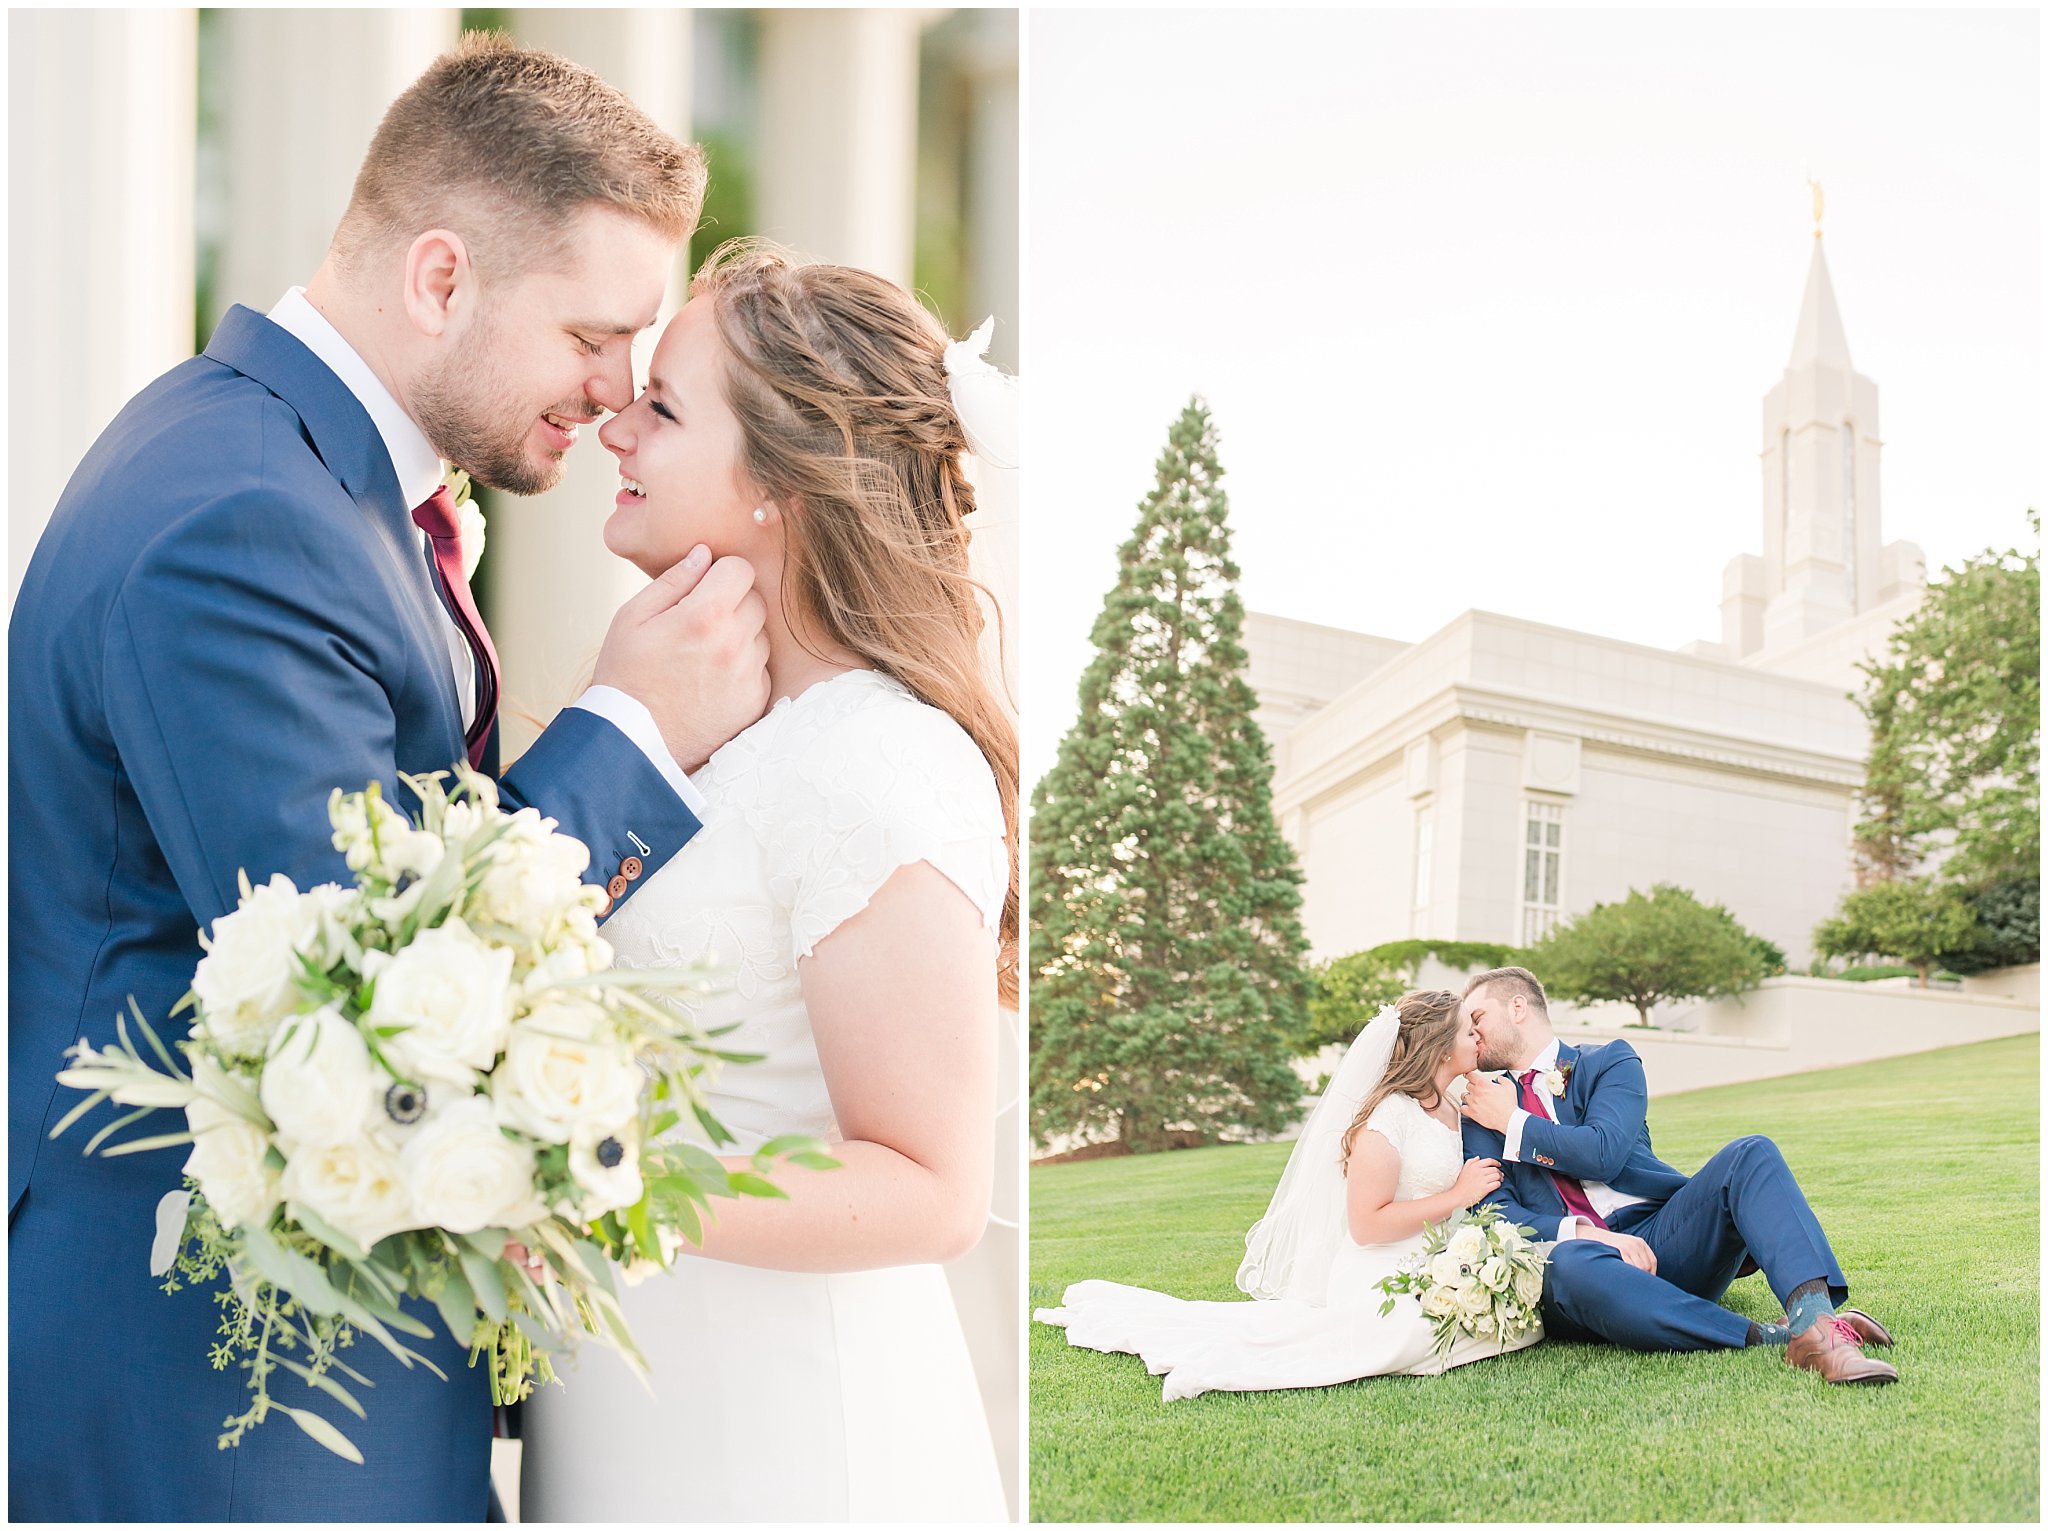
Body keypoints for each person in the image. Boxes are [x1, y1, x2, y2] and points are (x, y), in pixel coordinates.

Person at [8, 36, 772, 1521]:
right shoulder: (240, 520)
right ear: (441, 279)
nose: (621, 397)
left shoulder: (295, 471)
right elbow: (371, 991)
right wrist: (629, 727)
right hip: (225, 1401)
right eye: (594, 335)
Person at [518, 240, 1017, 1522]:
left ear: (779, 488)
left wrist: (595, 1169)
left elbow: (931, 1186)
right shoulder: (705, 725)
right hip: (636, 1412)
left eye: (665, 408)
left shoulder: (880, 757)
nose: (613, 423)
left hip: (783, 1445)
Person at [1034, 990, 1542, 1401]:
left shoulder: (1453, 1103)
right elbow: (1366, 1224)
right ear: (1438, 1045)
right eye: (1467, 1030)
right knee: (1418, 1334)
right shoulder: (1388, 1116)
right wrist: (1457, 1195)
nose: (1478, 1036)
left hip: (1435, 1259)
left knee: (1517, 1323)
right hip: (1380, 1267)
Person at [1455, 966, 1898, 1384]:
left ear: (1518, 1008)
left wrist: (1515, 1123)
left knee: (1752, 1152)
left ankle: (1816, 1325)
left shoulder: (1609, 1062)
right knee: (1564, 1263)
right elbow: (1495, 1214)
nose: (1472, 1033)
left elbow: (1604, 1153)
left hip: (1665, 1238)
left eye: (1478, 1018)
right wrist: (1588, 1234)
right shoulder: (1481, 1110)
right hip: (1591, 1270)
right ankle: (1774, 1336)